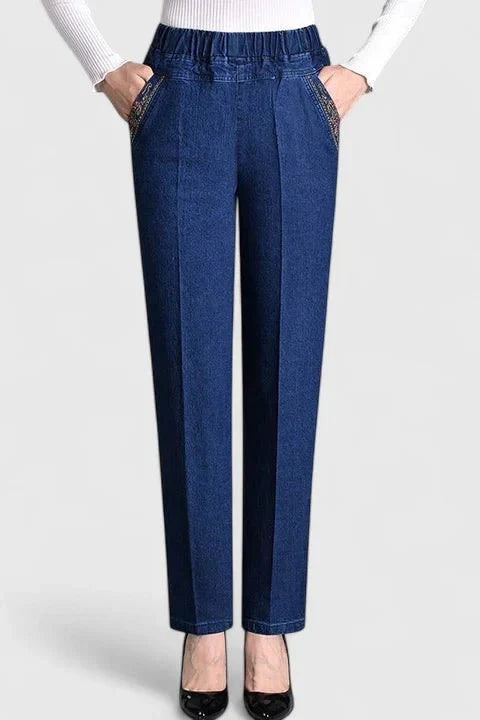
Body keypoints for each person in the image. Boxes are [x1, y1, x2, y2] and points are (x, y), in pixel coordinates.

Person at [40, 1, 427, 718]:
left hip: (294, 87)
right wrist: (101, 65)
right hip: (182, 85)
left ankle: (270, 628)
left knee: (290, 368)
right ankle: (203, 625)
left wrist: (365, 69)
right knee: (188, 369)